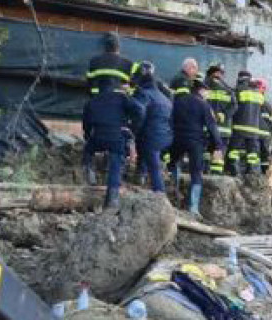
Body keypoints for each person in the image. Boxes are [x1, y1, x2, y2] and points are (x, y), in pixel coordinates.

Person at [81, 86, 144, 208]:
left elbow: (86, 122)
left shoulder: (94, 100)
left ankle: (89, 173)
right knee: (116, 165)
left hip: (98, 136)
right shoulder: (122, 98)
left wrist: (88, 136)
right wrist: (132, 128)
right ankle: (112, 200)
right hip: (116, 137)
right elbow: (140, 110)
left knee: (88, 150)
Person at [169, 75, 223, 215]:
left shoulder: (178, 101)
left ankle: (173, 194)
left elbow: (170, 120)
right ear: (200, 90)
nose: (207, 93)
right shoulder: (203, 105)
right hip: (195, 142)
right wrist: (218, 146)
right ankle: (193, 208)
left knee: (173, 164)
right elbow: (212, 127)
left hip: (177, 139)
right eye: (206, 90)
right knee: (196, 173)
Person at [131, 62, 173, 194]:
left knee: (154, 168)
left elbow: (139, 113)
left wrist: (132, 131)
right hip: (166, 136)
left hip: (152, 136)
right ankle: (141, 176)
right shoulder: (164, 98)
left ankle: (160, 195)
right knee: (148, 155)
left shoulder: (144, 94)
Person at [228, 70, 267, 176]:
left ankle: (234, 171)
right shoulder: (258, 93)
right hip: (254, 129)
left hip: (239, 127)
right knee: (253, 153)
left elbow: (233, 107)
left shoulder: (238, 90)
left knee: (233, 151)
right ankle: (252, 173)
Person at [204, 62, 235, 175]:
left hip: (216, 128)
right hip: (217, 128)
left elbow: (234, 106)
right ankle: (211, 173)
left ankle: (212, 174)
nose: (218, 75)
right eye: (217, 72)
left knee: (213, 152)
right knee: (211, 152)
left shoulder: (226, 89)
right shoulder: (226, 88)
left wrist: (224, 114)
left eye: (220, 73)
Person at [256, 78, 272, 174]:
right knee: (263, 154)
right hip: (264, 134)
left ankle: (254, 172)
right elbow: (271, 122)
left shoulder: (251, 102)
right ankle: (263, 173)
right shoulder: (267, 105)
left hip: (254, 133)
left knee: (254, 153)